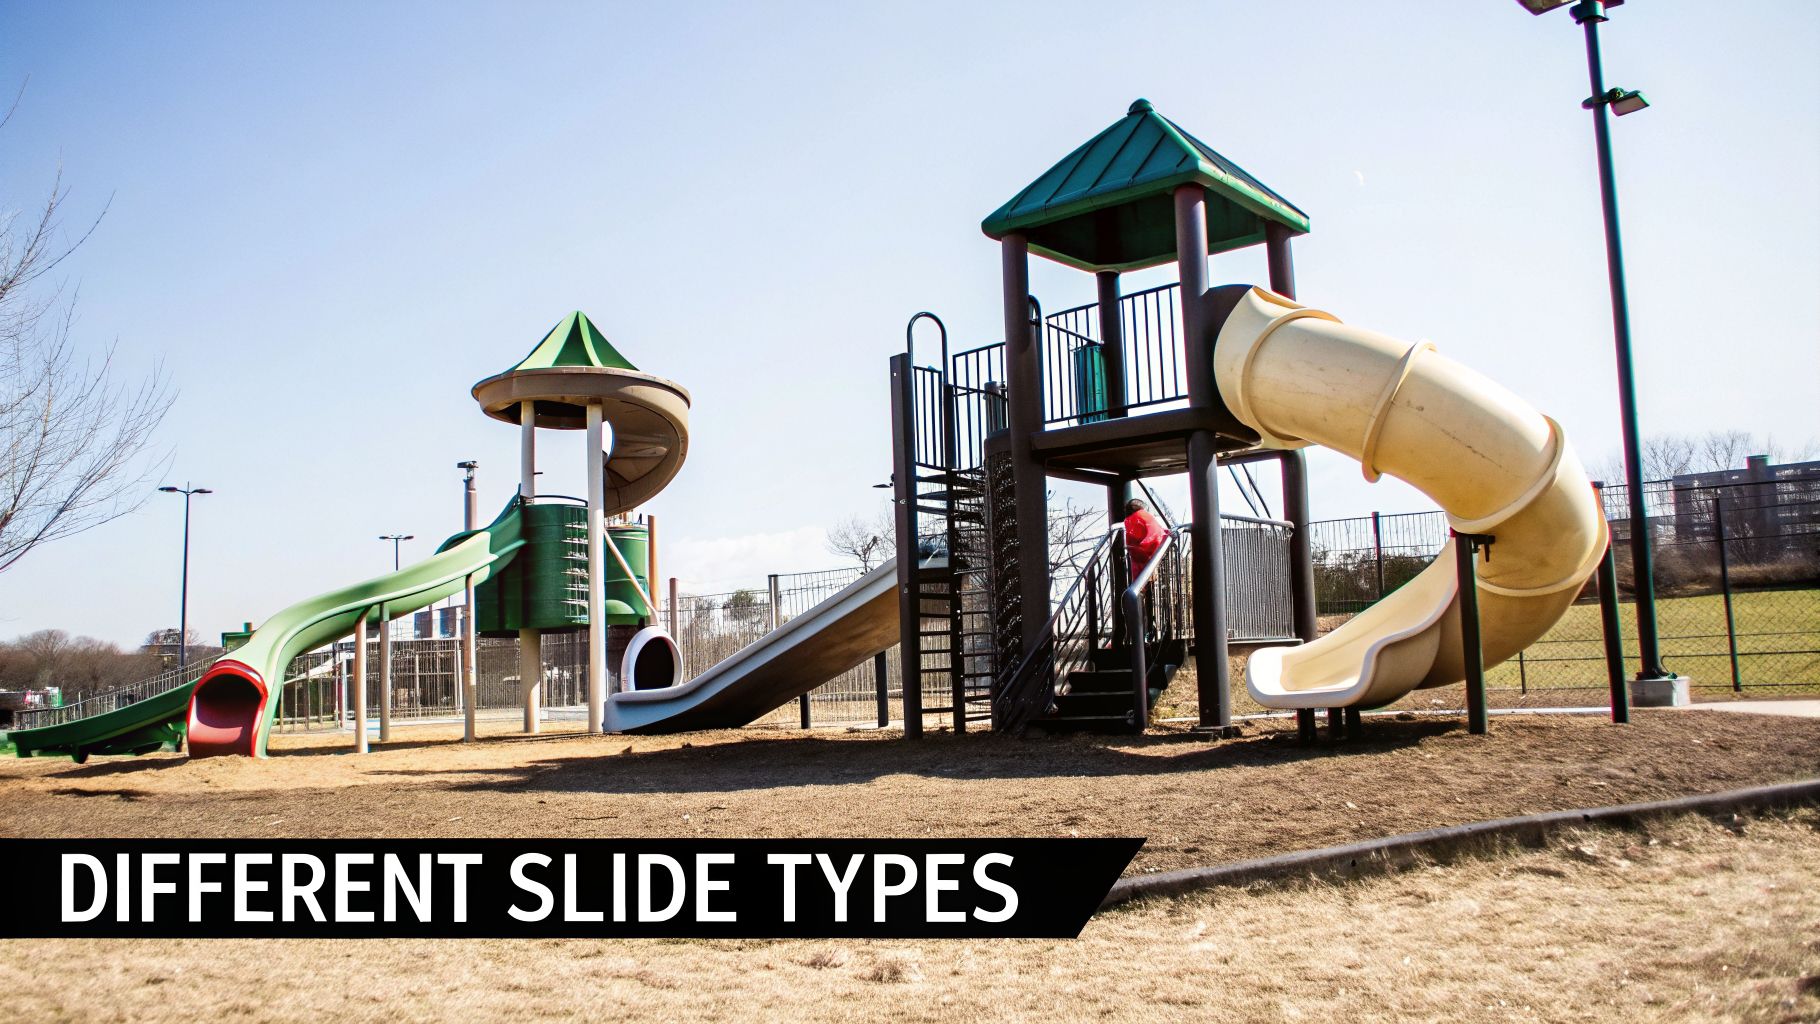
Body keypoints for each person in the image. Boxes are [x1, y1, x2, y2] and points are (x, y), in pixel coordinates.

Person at [1122, 498, 1167, 576]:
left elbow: (1133, 539)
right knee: (1150, 578)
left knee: (1140, 580)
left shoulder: (1131, 519)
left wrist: (1127, 547)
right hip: (1157, 549)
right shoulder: (1147, 516)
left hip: (1144, 553)